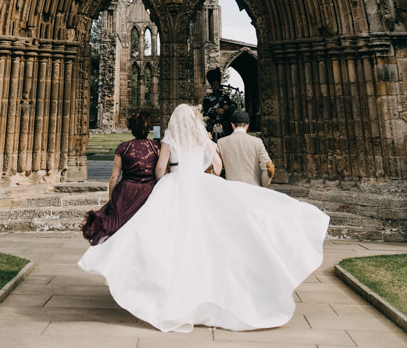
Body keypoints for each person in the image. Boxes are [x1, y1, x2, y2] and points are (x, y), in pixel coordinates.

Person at [79, 103, 329, 333]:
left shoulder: (169, 139)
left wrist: (166, 179)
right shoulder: (201, 138)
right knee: (208, 240)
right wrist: (203, 173)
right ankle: (211, 293)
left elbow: (159, 169)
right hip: (199, 184)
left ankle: (167, 291)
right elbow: (218, 165)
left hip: (175, 185)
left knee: (166, 239)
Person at [82, 110, 159, 245]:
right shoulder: (155, 147)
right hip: (149, 190)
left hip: (126, 192)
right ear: (148, 128)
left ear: (131, 128)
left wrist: (112, 198)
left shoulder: (124, 147)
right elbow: (160, 172)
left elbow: (114, 176)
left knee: (120, 229)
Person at [217, 109, 275, 187]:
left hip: (231, 189)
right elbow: (268, 167)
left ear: (232, 125)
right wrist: (263, 185)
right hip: (253, 188)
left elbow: (215, 165)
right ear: (247, 126)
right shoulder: (257, 142)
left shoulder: (221, 142)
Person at [201, 67, 236, 139]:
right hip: (212, 121)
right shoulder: (207, 98)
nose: (215, 86)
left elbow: (233, 105)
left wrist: (227, 107)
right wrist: (216, 110)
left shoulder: (225, 96)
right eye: (213, 84)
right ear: (211, 86)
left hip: (224, 121)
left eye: (216, 84)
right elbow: (205, 109)